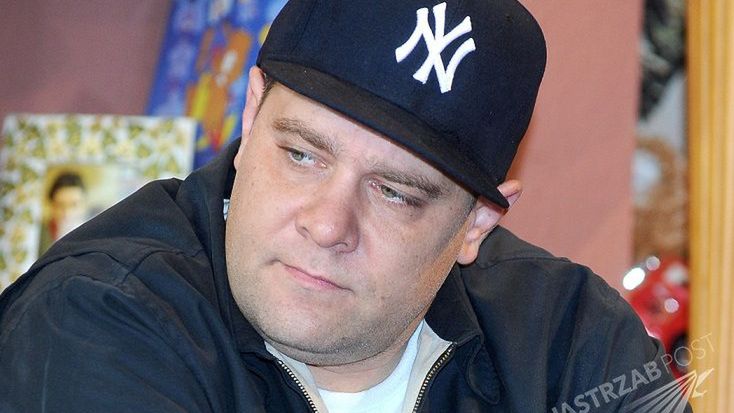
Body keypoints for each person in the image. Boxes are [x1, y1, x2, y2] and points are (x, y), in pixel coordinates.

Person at [0, 1, 690, 412]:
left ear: (477, 224)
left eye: (395, 193)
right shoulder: (100, 314)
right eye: (303, 154)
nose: (328, 224)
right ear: (252, 112)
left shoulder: (568, 340)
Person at [38, 171, 90, 254]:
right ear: (51, 206)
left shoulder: (93, 235)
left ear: (84, 205)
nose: (67, 212)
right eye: (60, 205)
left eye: (74, 204)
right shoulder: (38, 234)